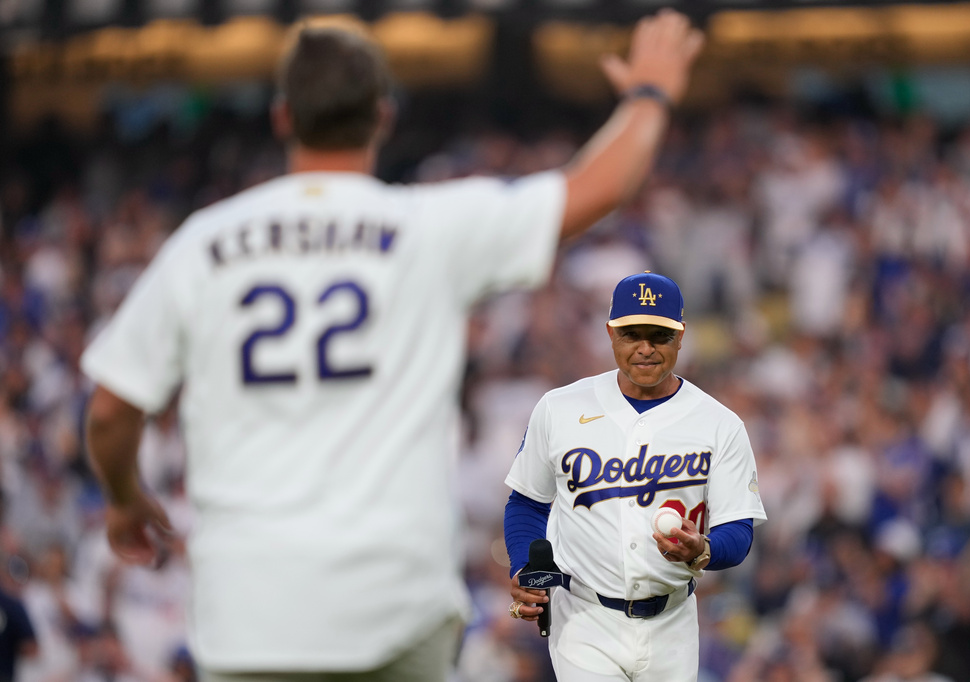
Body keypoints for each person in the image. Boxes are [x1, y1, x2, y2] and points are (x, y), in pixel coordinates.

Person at [81, 10, 705, 682]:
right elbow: (600, 186)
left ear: (283, 117)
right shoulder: (427, 227)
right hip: (393, 605)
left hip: (248, 612)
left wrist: (123, 496)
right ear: (383, 117)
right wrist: (649, 96)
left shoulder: (203, 244)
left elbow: (113, 410)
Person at [504, 271, 767, 682]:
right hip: (584, 620)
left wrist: (703, 549)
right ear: (611, 333)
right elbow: (527, 502)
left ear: (681, 336)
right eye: (631, 334)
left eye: (659, 335)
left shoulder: (720, 424)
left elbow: (739, 529)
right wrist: (522, 568)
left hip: (673, 623)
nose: (645, 348)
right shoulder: (559, 408)